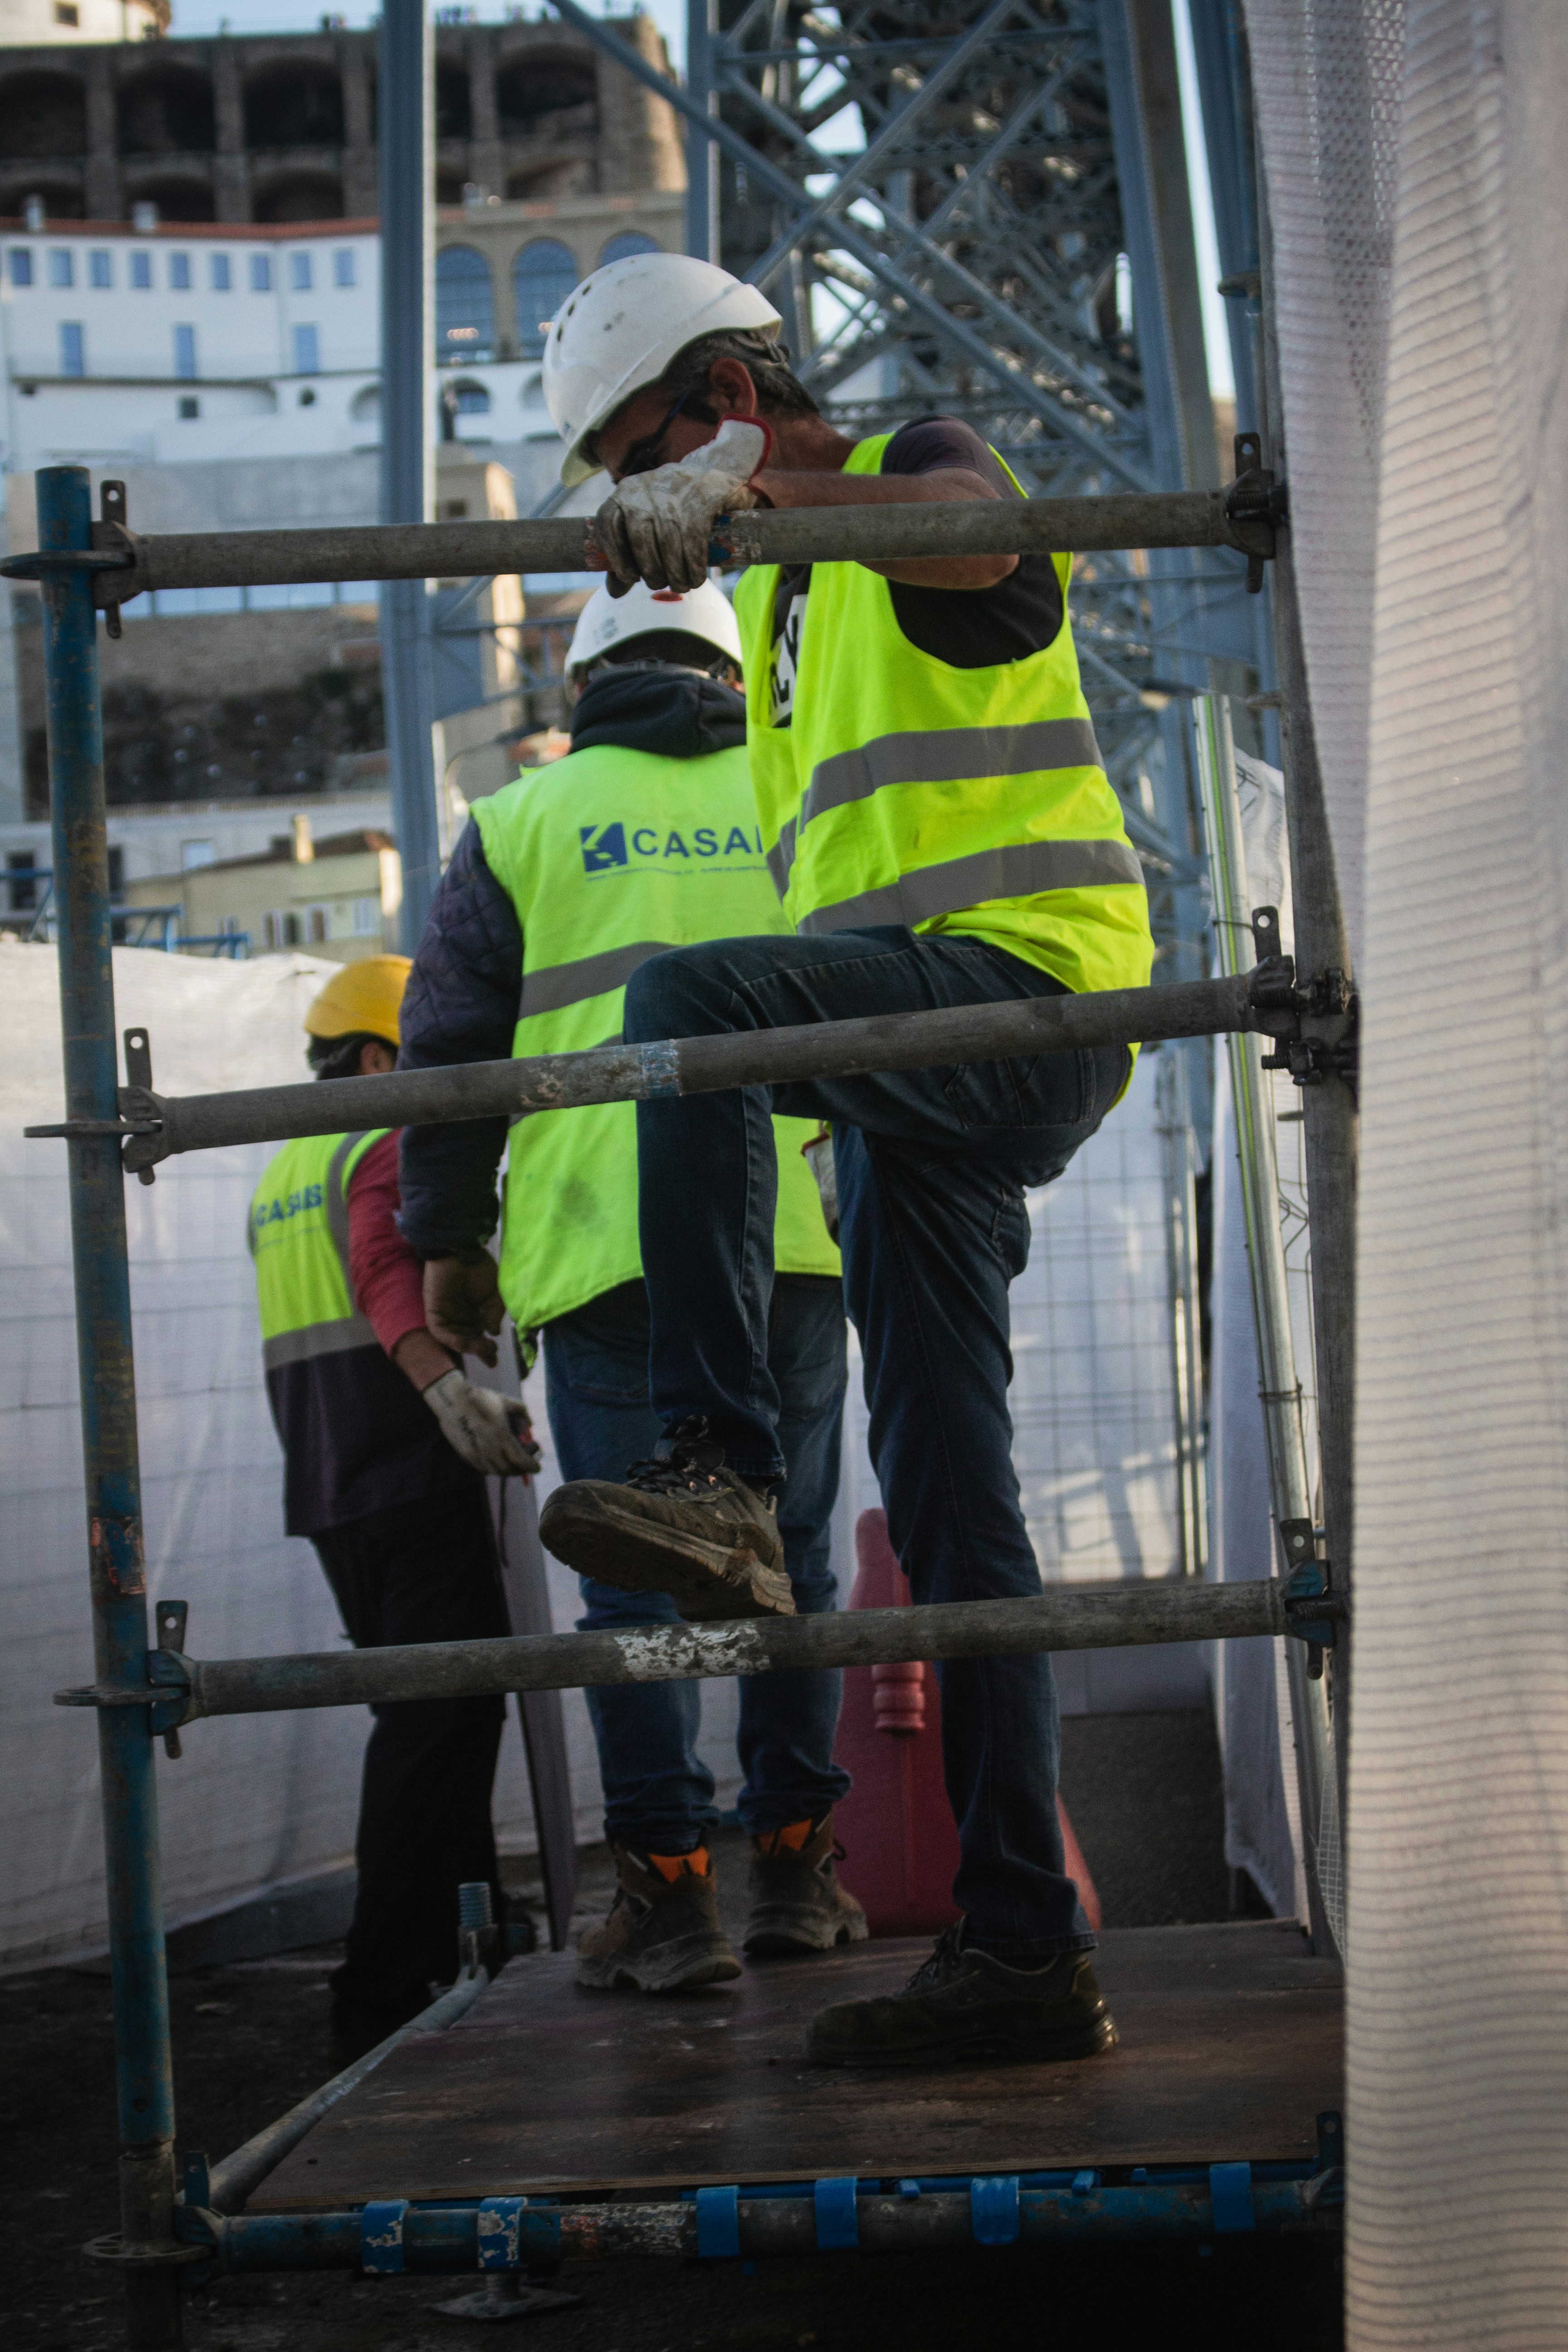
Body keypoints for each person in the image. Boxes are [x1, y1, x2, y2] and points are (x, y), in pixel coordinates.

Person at [498, 250, 1156, 2068]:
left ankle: (712, 1477)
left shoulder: (906, 476)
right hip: (900, 1079)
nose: (648, 511)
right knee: (951, 1505)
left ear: (723, 397)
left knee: (686, 994)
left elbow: (962, 529)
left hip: (1023, 1005)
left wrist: (751, 485)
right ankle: (1027, 1949)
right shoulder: (780, 630)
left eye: (643, 455)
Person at [395, 580, 865, 1994]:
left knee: (637, 1594)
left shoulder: (526, 820)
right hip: (788, 1233)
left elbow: (454, 1049)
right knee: (792, 1559)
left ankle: (667, 1892)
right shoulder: (799, 790)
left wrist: (450, 1237)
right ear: (732, 673)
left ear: (585, 683)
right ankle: (792, 1865)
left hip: (605, 1248)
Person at [248, 955, 539, 2048]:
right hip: (414, 1466)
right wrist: (451, 1387)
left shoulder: (280, 1164)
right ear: (379, 1058)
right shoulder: (380, 1139)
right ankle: (381, 1990)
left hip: (331, 1485)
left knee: (439, 1716)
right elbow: (383, 1262)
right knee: (440, 1722)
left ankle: (479, 1933)